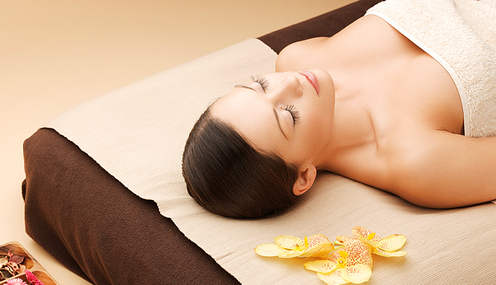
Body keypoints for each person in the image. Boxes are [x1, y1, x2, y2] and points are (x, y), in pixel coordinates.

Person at [182, 0, 496, 219]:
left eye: (261, 85)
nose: (290, 83)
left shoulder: (295, 57)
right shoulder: (415, 162)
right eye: (289, 115)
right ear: (303, 175)